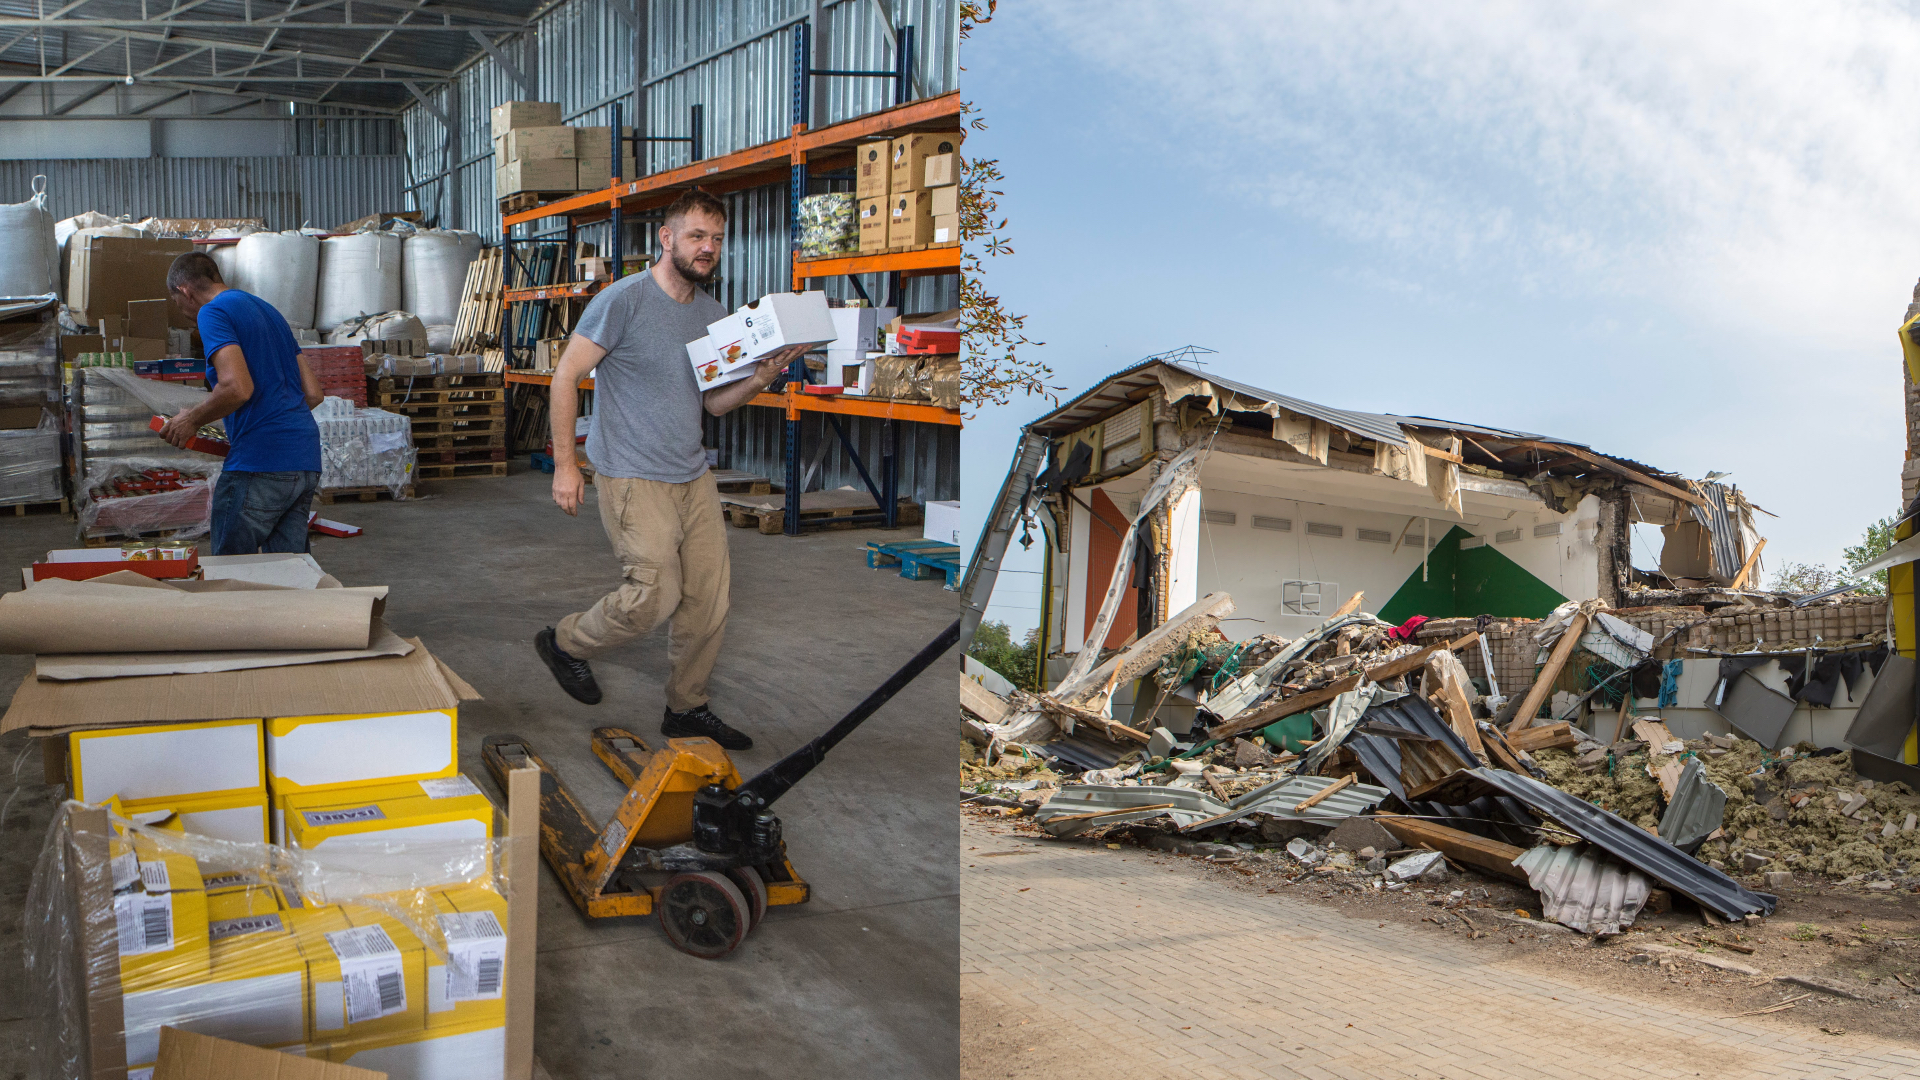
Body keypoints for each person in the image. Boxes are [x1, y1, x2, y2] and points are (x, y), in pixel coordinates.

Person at [536, 188, 807, 751]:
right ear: (666, 239)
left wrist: (760, 377)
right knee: (653, 595)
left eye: (716, 239)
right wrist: (568, 465)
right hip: (632, 471)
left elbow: (711, 403)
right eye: (696, 236)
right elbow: (566, 377)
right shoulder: (623, 300)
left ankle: (687, 707)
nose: (707, 249)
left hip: (691, 473)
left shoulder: (713, 316)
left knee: (709, 597)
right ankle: (566, 643)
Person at [159, 251, 324, 555]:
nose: (181, 311)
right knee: (291, 572)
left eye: (176, 302)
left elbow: (237, 388)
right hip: (305, 458)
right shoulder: (269, 311)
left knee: (231, 573)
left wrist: (190, 420)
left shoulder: (213, 312)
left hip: (260, 462)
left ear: (185, 291)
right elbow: (313, 394)